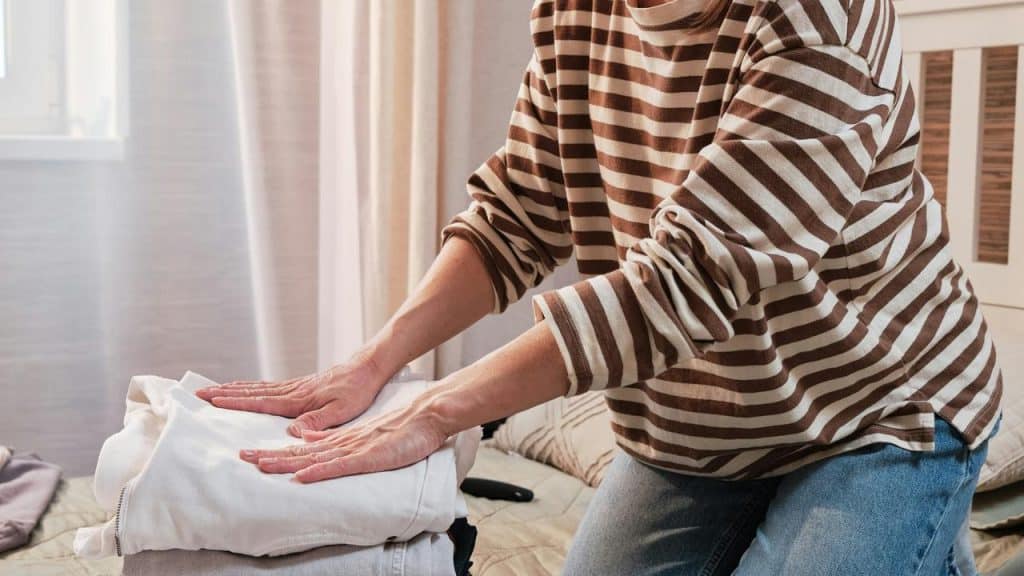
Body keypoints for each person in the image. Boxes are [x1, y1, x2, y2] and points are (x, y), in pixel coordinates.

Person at [196, 0, 1003, 573]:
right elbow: (519, 210)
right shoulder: (577, 11)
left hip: (876, 408)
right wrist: (372, 364)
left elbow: (681, 285)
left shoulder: (823, 18)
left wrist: (433, 409)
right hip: (698, 424)